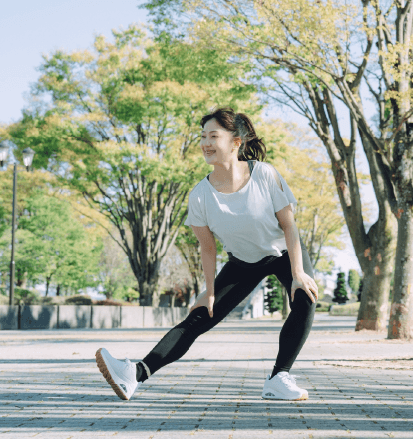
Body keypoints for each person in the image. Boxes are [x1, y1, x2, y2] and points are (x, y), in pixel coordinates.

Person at [96, 106, 318, 402]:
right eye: (203, 136)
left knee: (305, 296)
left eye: (214, 135)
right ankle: (134, 374)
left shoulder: (264, 174)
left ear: (236, 142)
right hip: (242, 262)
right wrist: (209, 291)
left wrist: (298, 273)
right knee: (202, 316)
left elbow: (289, 225)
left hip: (283, 252)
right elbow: (208, 246)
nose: (206, 143)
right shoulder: (200, 194)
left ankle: (279, 378)